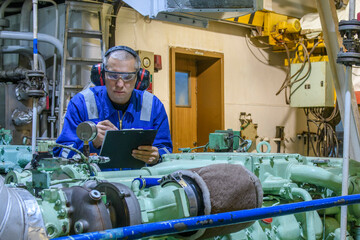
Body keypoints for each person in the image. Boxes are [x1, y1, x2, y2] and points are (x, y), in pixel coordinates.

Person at [55, 46, 172, 165]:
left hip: (140, 181)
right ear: (102, 75)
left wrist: (158, 156)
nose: (120, 84)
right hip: (94, 182)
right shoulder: (81, 103)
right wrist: (91, 143)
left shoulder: (153, 106)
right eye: (113, 75)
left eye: (128, 77)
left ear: (139, 78)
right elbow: (61, 154)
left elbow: (166, 151)